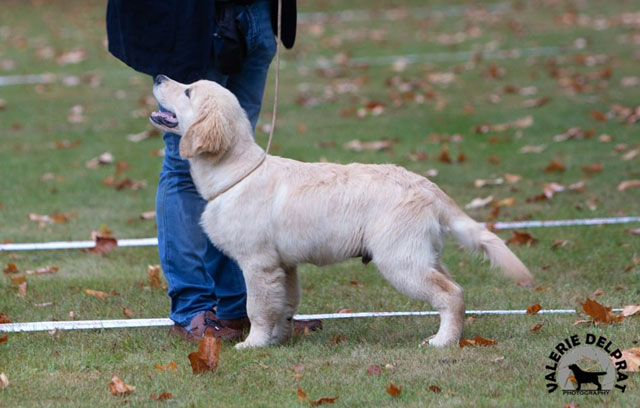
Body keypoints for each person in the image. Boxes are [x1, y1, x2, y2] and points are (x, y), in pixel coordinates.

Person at [106, 0, 320, 342]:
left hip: (258, 14)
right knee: (184, 161)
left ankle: (244, 308)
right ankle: (193, 309)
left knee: (236, 157)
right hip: (188, 19)